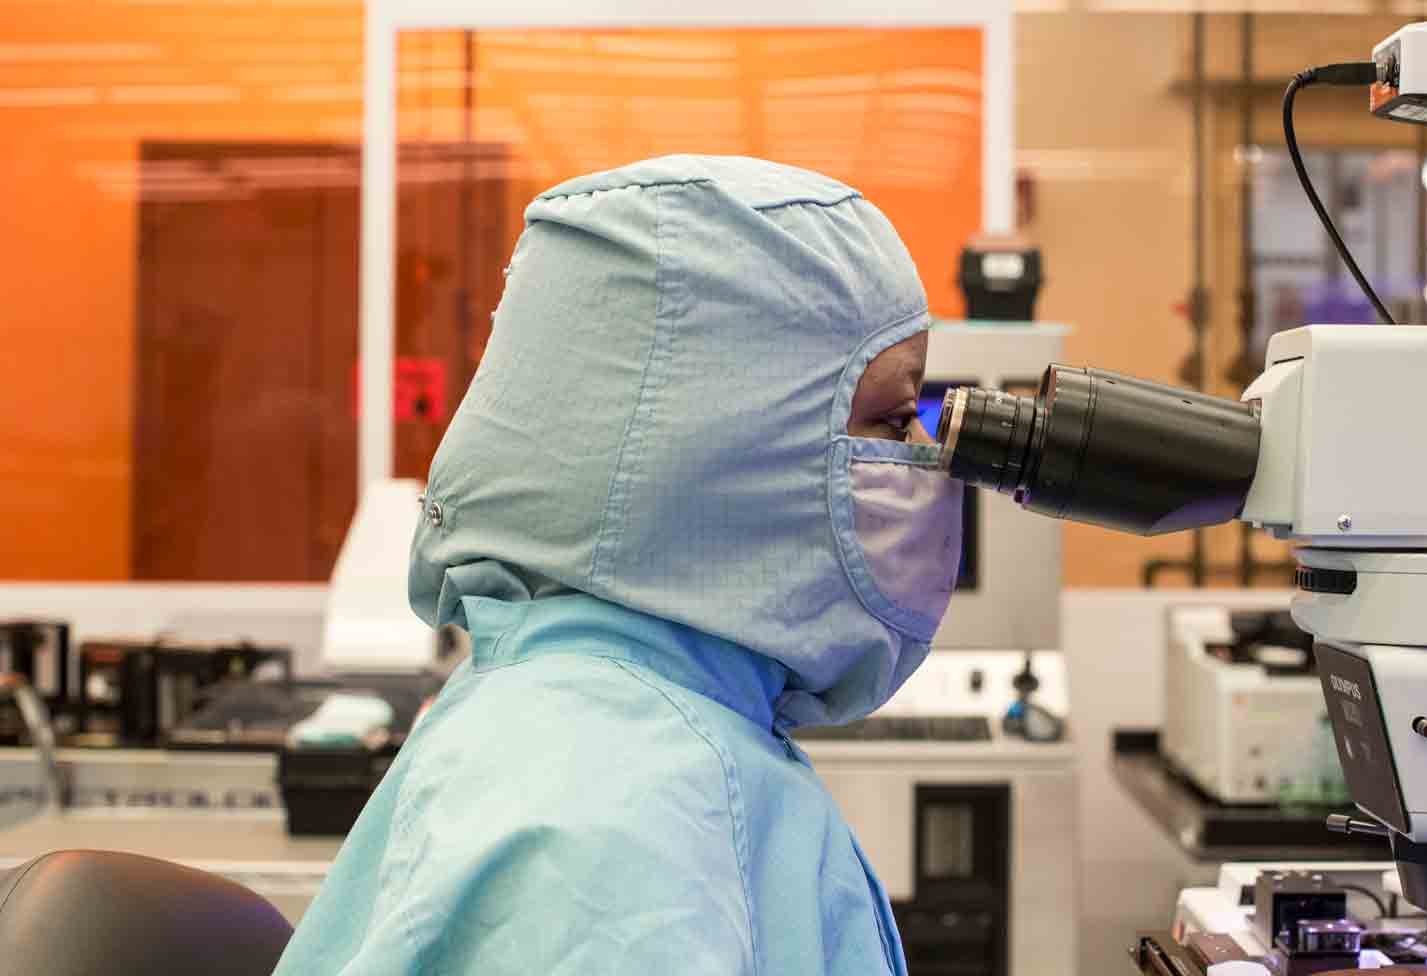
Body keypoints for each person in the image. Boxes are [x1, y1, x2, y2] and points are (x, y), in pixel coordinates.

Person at [274, 155, 964, 975]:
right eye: (893, 419)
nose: (927, 456)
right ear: (723, 446)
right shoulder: (608, 829)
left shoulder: (633, 728)